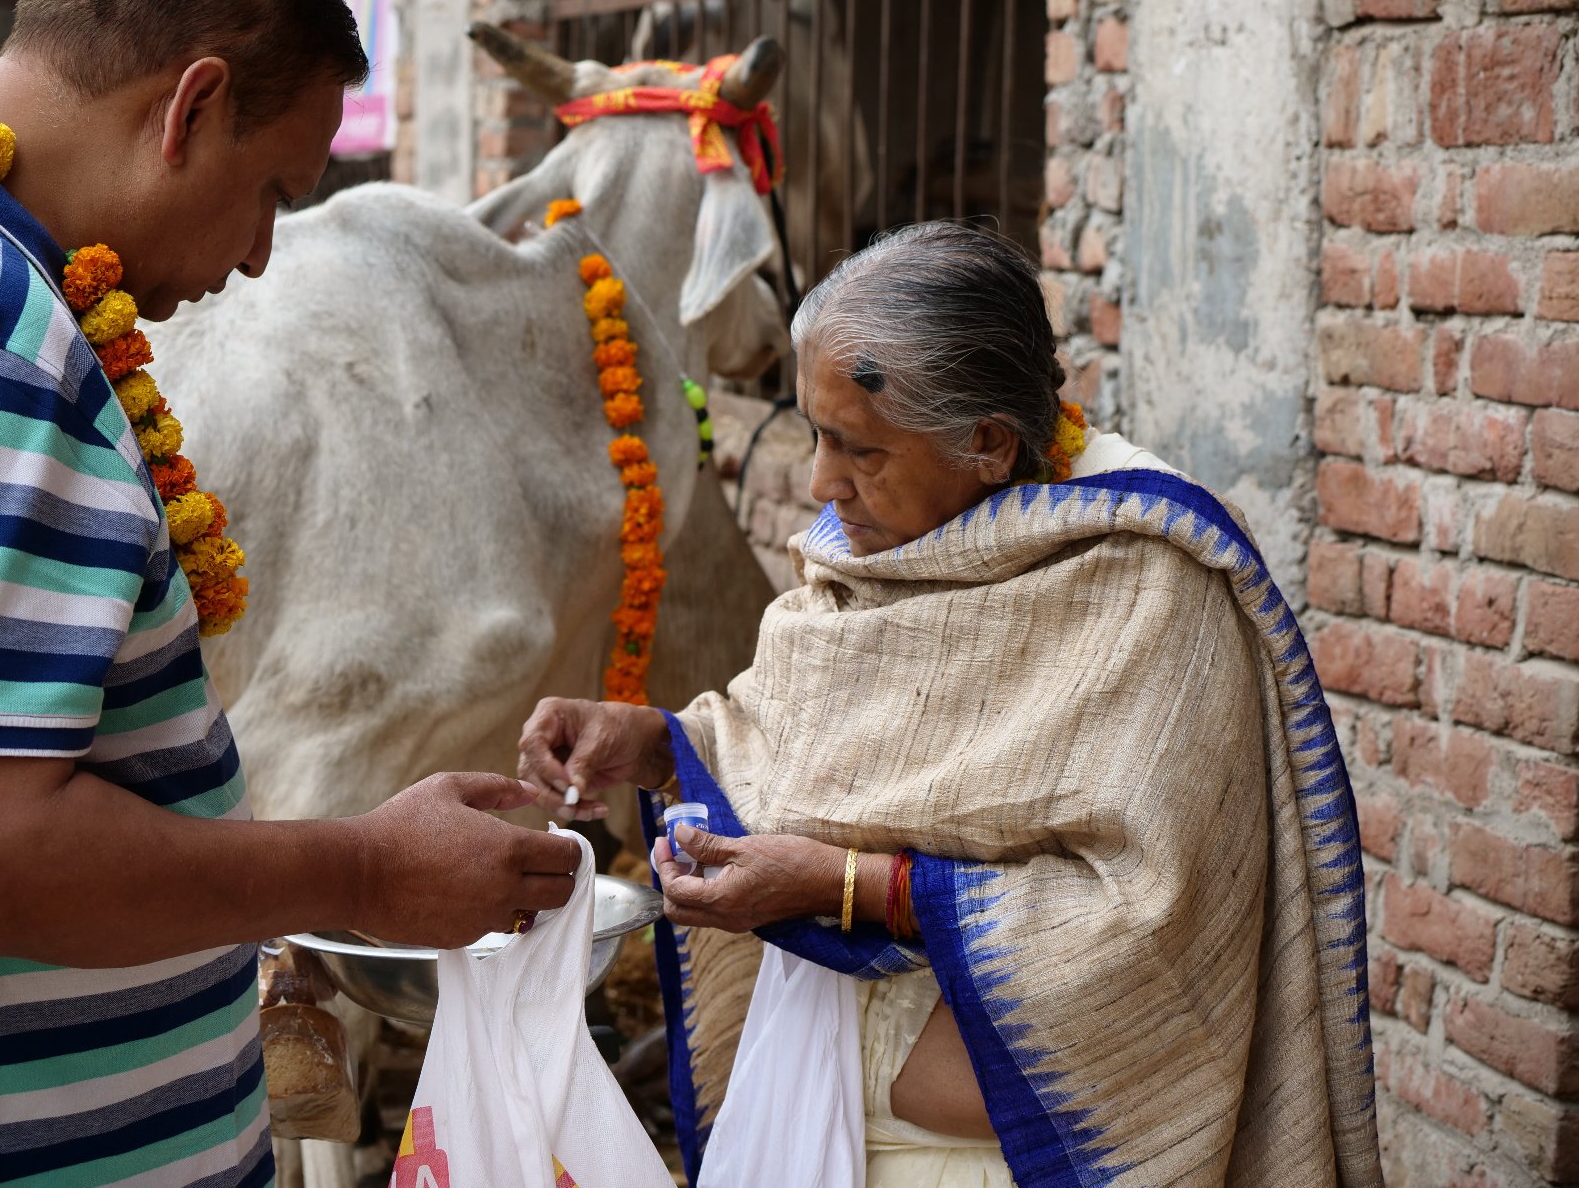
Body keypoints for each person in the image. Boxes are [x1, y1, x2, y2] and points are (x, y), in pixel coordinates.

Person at [520, 222, 1385, 1187]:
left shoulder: (1148, 589)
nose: (821, 482)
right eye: (815, 433)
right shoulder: (877, 551)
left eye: (859, 450)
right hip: (824, 1099)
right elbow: (802, 745)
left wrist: (846, 886)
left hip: (1005, 1150)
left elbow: (1146, 924)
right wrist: (655, 744)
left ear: (987, 444)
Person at [0, 0, 579, 1185]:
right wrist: (365, 872)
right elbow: (0, 847)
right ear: (192, 109)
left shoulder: (25, 305)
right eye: (270, 192)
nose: (261, 253)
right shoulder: (5, 344)